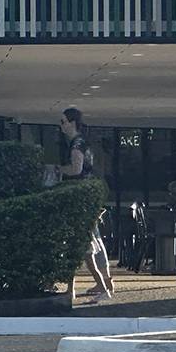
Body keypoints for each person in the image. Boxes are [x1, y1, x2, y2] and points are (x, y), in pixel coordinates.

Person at [59, 106, 115, 302]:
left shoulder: (76, 144)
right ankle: (99, 285)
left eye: (63, 122)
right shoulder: (84, 143)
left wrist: (57, 169)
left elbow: (76, 169)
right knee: (88, 243)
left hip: (79, 200)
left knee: (83, 245)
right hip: (87, 199)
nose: (61, 126)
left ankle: (98, 286)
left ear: (72, 123)